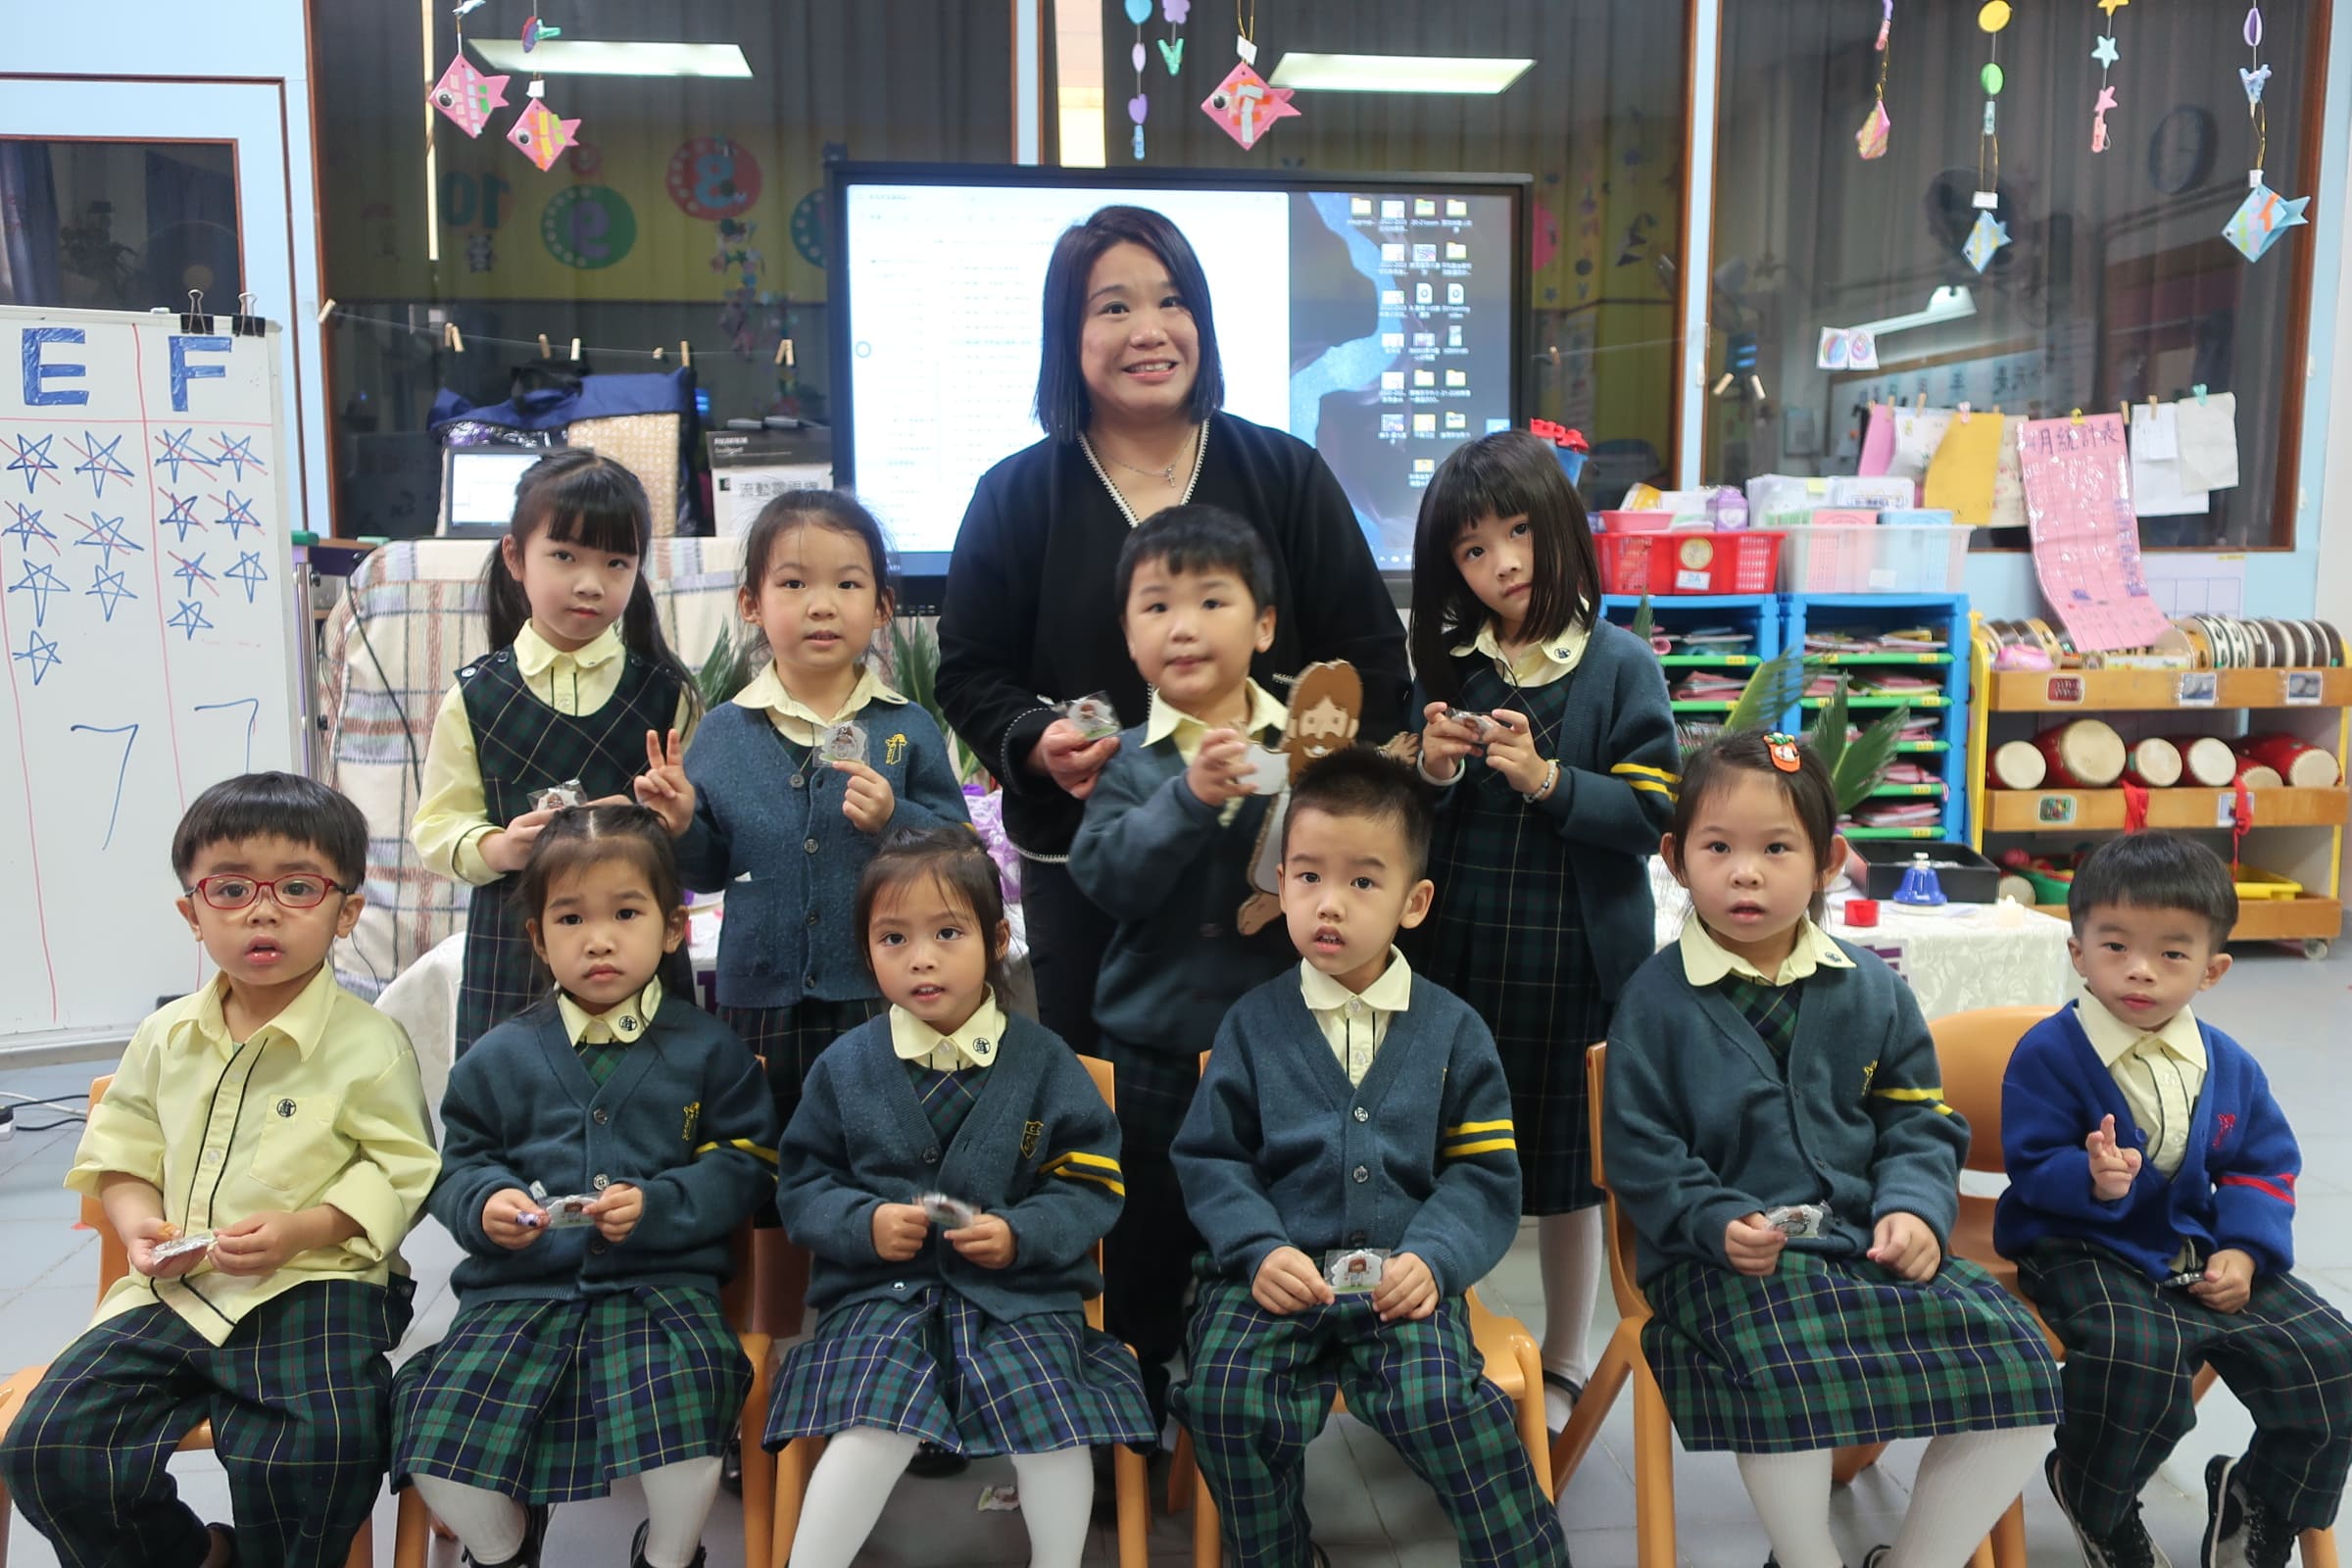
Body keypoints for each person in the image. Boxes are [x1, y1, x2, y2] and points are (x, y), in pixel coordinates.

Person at [936, 203, 1409, 1055]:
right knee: (1110, 1103)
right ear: (1069, 334)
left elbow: (1370, 658)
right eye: (1113, 307)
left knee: (1289, 1098)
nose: (1148, 330)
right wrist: (1038, 742)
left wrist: (1314, 784)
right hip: (1089, 872)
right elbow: (969, 671)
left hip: (1280, 875)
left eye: (1172, 300)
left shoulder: (1284, 474)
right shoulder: (1016, 495)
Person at [1603, 732, 2061, 1568]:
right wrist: (1714, 1220)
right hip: (1722, 1261)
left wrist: (1914, 1209)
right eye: (1718, 848)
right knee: (1789, 1376)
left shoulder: (1871, 986)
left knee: (2021, 1365)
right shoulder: (1653, 1002)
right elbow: (1641, 1151)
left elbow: (1919, 1123)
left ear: (1827, 862)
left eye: (1776, 849)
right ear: (1674, 859)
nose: (1745, 873)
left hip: (1861, 1245)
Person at [0, 772, 438, 1568]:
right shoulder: (164, 1036)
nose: (262, 911)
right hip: (176, 1288)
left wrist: (303, 1228)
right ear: (192, 914)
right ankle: (199, 1556)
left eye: (297, 888)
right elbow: (121, 1152)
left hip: (317, 1288)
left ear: (346, 913)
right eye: (231, 889)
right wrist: (140, 1227)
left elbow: (400, 1172)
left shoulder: (372, 1045)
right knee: (50, 1446)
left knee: (322, 1448)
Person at [1170, 748, 1570, 1568]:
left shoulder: (1454, 1030)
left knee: (1446, 1404)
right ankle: (1279, 1554)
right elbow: (1212, 1160)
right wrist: (1258, 1248)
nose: (1329, 903)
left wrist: (1435, 1258)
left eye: (1362, 881)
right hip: (1272, 1279)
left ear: (1412, 902)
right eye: (1308, 876)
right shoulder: (1251, 1025)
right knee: (1225, 1399)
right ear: (1281, 883)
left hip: (1402, 1278)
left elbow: (1483, 1174)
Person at [392, 806, 776, 1568]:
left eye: (626, 914)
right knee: (431, 1432)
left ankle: (667, 1556)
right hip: (516, 1298)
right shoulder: (497, 1057)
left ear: (673, 929)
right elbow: (460, 1164)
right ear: (538, 938)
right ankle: (503, 1549)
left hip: (662, 1295)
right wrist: (484, 1203)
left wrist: (661, 1206)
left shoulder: (711, 1051)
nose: (598, 939)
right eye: (571, 918)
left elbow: (747, 1163)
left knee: (690, 1422)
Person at [766, 826, 1153, 1568]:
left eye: (948, 933)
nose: (921, 958)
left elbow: (1091, 1182)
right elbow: (803, 1184)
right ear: (867, 951)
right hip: (880, 1298)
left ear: (998, 939)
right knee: (869, 1424)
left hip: (1022, 1299)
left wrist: (1021, 1233)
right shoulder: (844, 1067)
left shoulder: (1046, 1062)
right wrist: (864, 1223)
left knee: (1055, 1429)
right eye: (893, 938)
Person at [1408, 428, 1679, 1431]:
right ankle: (1453, 1338)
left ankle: (1564, 1359)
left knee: (1569, 1171)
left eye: (1519, 533)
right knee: (1456, 1153)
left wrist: (1549, 780)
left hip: (1574, 962)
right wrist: (1433, 769)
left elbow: (1652, 810)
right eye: (1474, 549)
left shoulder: (1619, 664)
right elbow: (1410, 822)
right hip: (1456, 954)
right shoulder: (1454, 664)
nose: (1503, 564)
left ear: (1561, 525)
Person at [1998, 831, 2351, 1568]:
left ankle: (2259, 1498)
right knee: (2138, 1359)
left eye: (2171, 954)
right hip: (2080, 1244)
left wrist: (2244, 1251)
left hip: (2193, 1241)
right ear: (2078, 953)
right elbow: (2030, 1166)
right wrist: (2089, 1177)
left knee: (2331, 1357)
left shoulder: (2228, 1063)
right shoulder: (2049, 1052)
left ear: (2212, 969)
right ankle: (2095, 1497)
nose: (2140, 970)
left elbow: (2262, 1164)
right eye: (2116, 946)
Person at [1066, 504, 1301, 1428]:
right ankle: (1134, 1409)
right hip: (1152, 1052)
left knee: (1259, 1230)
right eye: (1157, 606)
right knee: (1144, 1241)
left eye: (1212, 600)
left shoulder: (1309, 747)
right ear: (1129, 637)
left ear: (1265, 624)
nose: (1184, 626)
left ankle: (1246, 1403)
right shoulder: (1129, 762)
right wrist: (1190, 798)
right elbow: (1107, 877)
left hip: (1276, 1052)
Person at [667, 490, 971, 1128]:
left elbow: (961, 850)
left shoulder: (906, 727)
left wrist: (895, 819)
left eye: (848, 583)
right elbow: (708, 870)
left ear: (883, 606)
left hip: (882, 993)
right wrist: (680, 826)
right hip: (758, 1000)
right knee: (762, 1156)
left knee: (878, 1146)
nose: (822, 604)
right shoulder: (723, 733)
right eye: (794, 583)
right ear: (751, 604)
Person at [411, 448, 703, 1054]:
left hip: (636, 954)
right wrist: (501, 846)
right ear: (516, 557)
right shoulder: (476, 697)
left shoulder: (666, 694)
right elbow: (438, 827)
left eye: (617, 562)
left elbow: (699, 837)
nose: (590, 583)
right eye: (565, 556)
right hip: (514, 951)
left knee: (652, 1096)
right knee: (510, 1100)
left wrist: (675, 820)